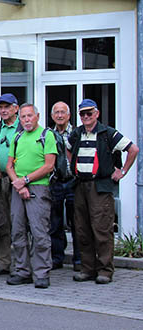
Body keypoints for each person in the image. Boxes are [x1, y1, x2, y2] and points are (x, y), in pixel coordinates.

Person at [67, 99, 139, 284]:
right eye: (82, 114)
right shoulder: (76, 134)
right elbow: (68, 149)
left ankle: (105, 270)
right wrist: (73, 167)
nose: (85, 117)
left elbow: (133, 149)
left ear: (97, 114)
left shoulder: (108, 133)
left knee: (102, 229)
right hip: (80, 185)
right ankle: (87, 269)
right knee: (82, 229)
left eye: (89, 113)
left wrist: (121, 172)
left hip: (100, 186)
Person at [5, 104, 56, 288]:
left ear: (38, 116)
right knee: (17, 231)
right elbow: (9, 166)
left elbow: (49, 166)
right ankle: (22, 270)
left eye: (29, 116)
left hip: (38, 188)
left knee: (39, 231)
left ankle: (41, 273)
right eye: (23, 117)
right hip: (18, 188)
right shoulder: (17, 137)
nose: (26, 120)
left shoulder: (46, 136)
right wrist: (19, 185)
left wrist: (25, 180)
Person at [0, 93, 23, 276]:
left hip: (19, 181)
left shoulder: (24, 128)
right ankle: (3, 261)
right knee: (1, 222)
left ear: (16, 108)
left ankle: (20, 263)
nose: (3, 110)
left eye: (7, 107)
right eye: (1, 107)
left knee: (19, 221)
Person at [49, 101, 80, 271]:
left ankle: (78, 260)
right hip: (55, 182)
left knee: (76, 222)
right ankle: (56, 258)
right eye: (57, 113)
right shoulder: (48, 135)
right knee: (55, 223)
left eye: (63, 112)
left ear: (69, 115)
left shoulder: (76, 133)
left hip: (73, 181)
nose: (60, 115)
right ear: (53, 116)